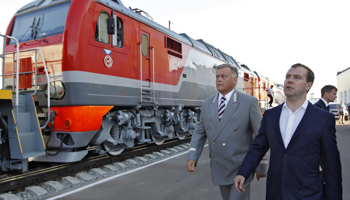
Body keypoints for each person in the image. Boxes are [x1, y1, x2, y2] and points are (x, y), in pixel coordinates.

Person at [234, 63, 342, 200]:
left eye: (297, 77)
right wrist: (243, 173)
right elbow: (258, 147)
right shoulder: (270, 115)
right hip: (276, 191)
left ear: (308, 86)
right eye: (287, 77)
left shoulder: (324, 119)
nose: (290, 80)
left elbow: (331, 164)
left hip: (309, 193)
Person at [186, 63, 266, 200]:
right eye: (217, 77)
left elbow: (260, 136)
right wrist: (192, 156)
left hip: (241, 168)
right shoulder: (207, 104)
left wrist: (260, 166)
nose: (219, 79)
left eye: (224, 76)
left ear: (235, 80)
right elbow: (200, 132)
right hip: (220, 167)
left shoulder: (248, 102)